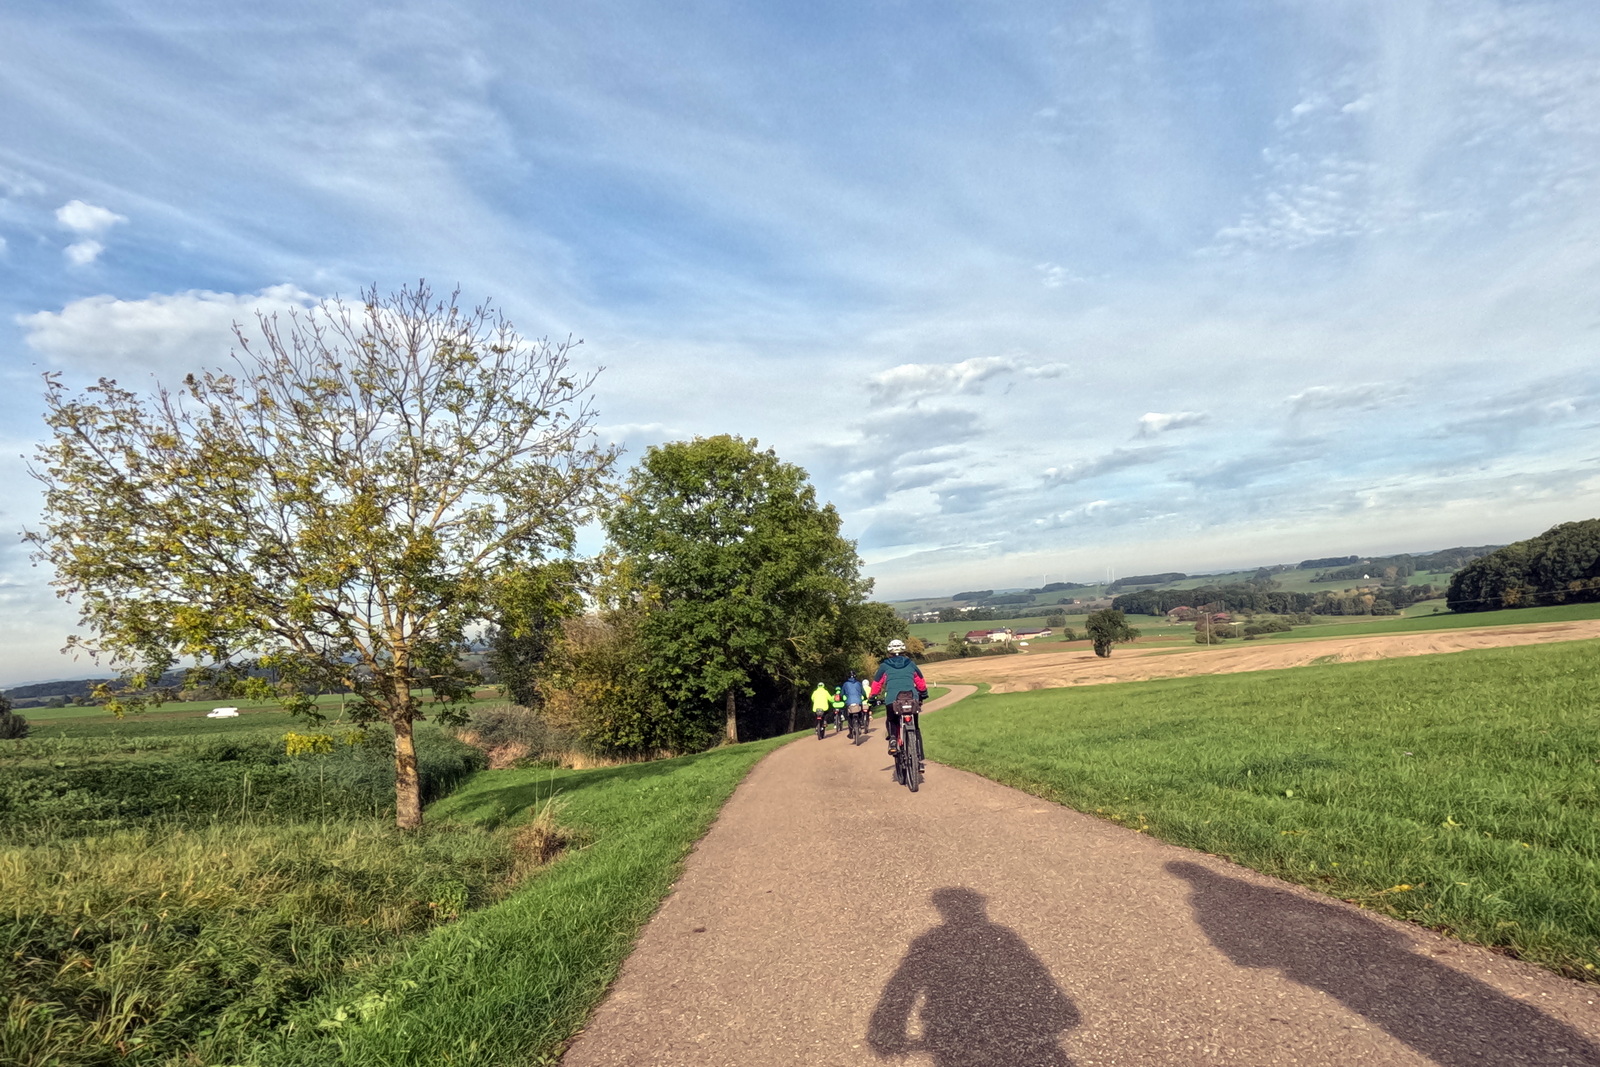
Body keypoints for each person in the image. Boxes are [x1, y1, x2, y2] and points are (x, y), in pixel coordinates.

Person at [870, 639, 926, 761]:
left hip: (893, 700)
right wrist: (923, 693)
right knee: (915, 726)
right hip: (912, 699)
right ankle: (919, 755)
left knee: (891, 720)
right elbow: (920, 681)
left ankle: (893, 740)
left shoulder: (884, 666)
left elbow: (876, 684)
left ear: (889, 653)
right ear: (904, 652)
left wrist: (872, 698)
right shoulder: (911, 664)